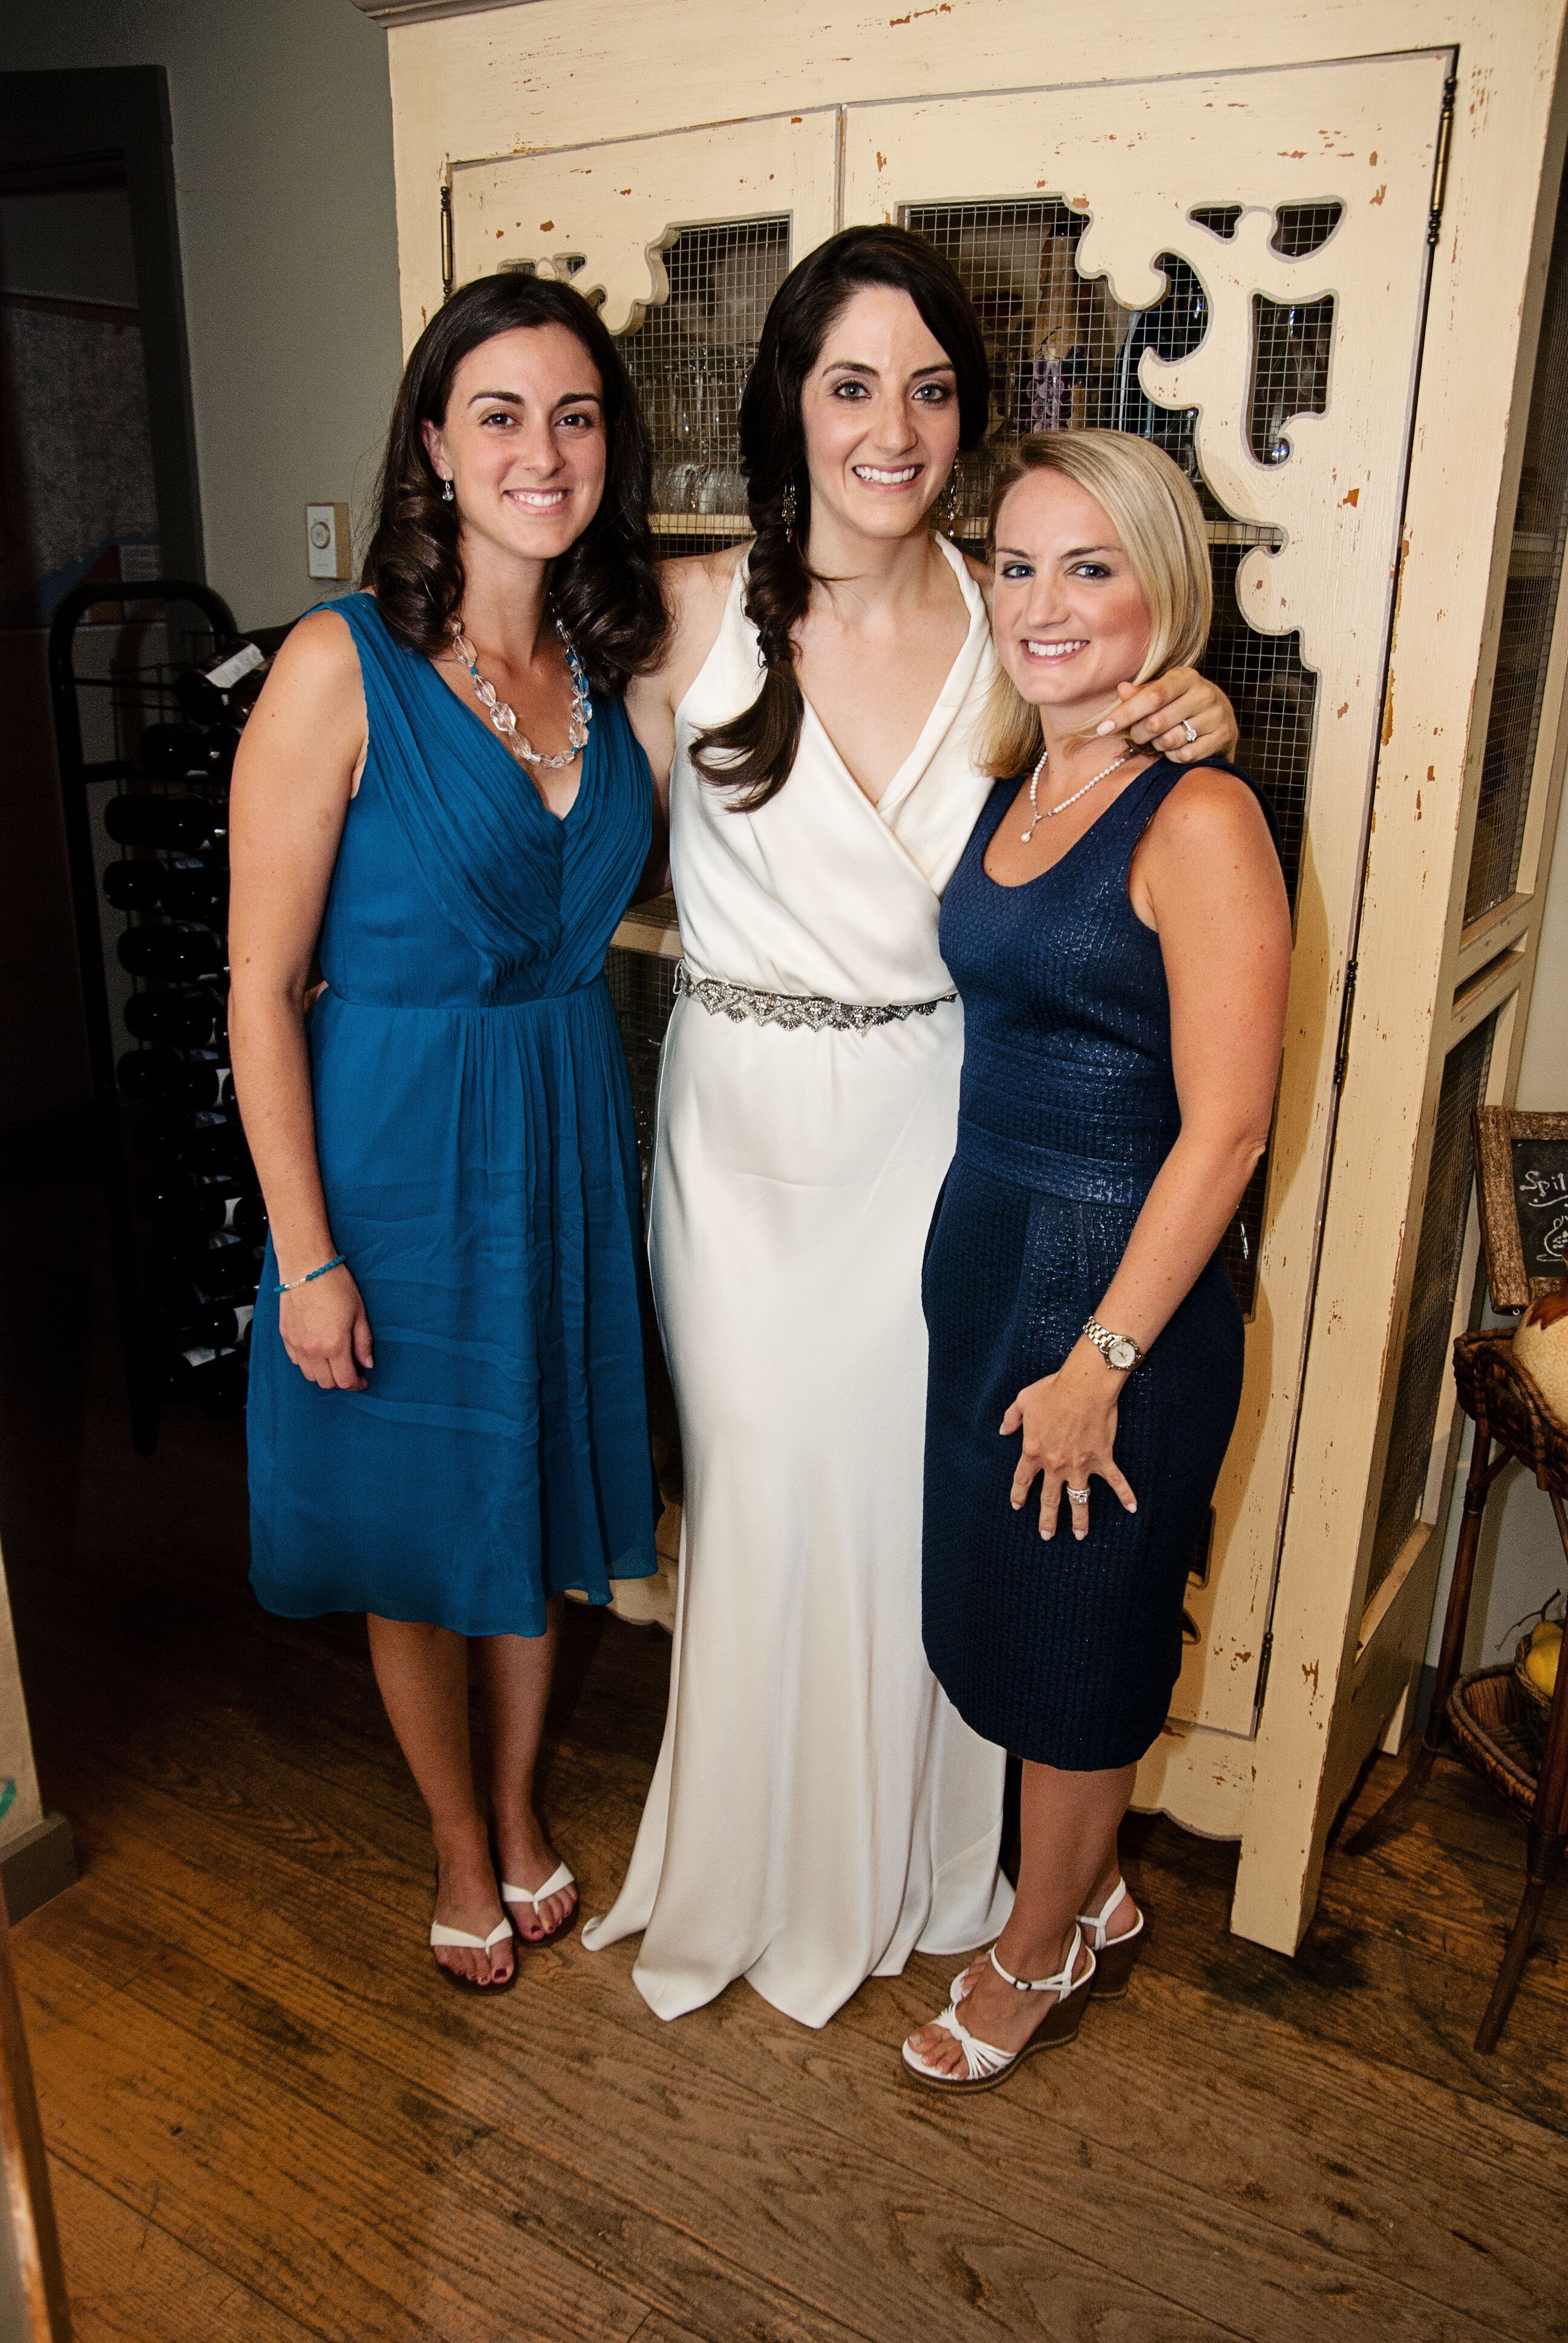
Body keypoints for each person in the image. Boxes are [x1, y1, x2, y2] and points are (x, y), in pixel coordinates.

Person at [583, 227, 1240, 2028]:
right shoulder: (690, 612)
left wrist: (1203, 697)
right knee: (772, 1485)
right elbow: (550, 836)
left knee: (922, 1506)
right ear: (788, 404)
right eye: (852, 383)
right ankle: (769, 1868)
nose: (894, 427)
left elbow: (1138, 807)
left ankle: (970, 1871)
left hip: (948, 1143)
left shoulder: (1017, 609)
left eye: (932, 388)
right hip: (743, 1140)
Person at [230, 274, 666, 1991]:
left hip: (561, 1140)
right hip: (389, 1159)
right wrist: (306, 1256)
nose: (541, 452)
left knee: (538, 1488)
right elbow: (260, 990)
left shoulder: (615, 654)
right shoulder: (338, 668)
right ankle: (460, 1838)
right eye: (499, 413)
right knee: (420, 1530)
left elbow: (874, 600)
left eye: (575, 415)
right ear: (433, 442)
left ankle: (522, 1798)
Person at [901, 430, 1291, 2090]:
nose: (1044, 602)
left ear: (1163, 590)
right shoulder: (1022, 775)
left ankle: (1039, 1941)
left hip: (1112, 1299)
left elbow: (1227, 1132)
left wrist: (1105, 1361)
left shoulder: (1197, 816)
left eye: (1092, 567)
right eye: (1018, 563)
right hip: (994, 1263)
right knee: (1012, 1611)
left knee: (1078, 1645)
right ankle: (1098, 1888)